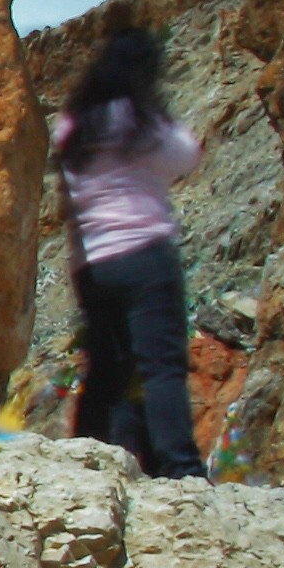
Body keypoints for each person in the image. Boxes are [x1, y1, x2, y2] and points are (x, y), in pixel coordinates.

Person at [52, 29, 206, 477]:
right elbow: (187, 156)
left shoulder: (72, 126)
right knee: (160, 367)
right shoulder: (139, 119)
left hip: (94, 267)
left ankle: (99, 463)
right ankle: (180, 469)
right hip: (145, 254)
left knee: (108, 372)